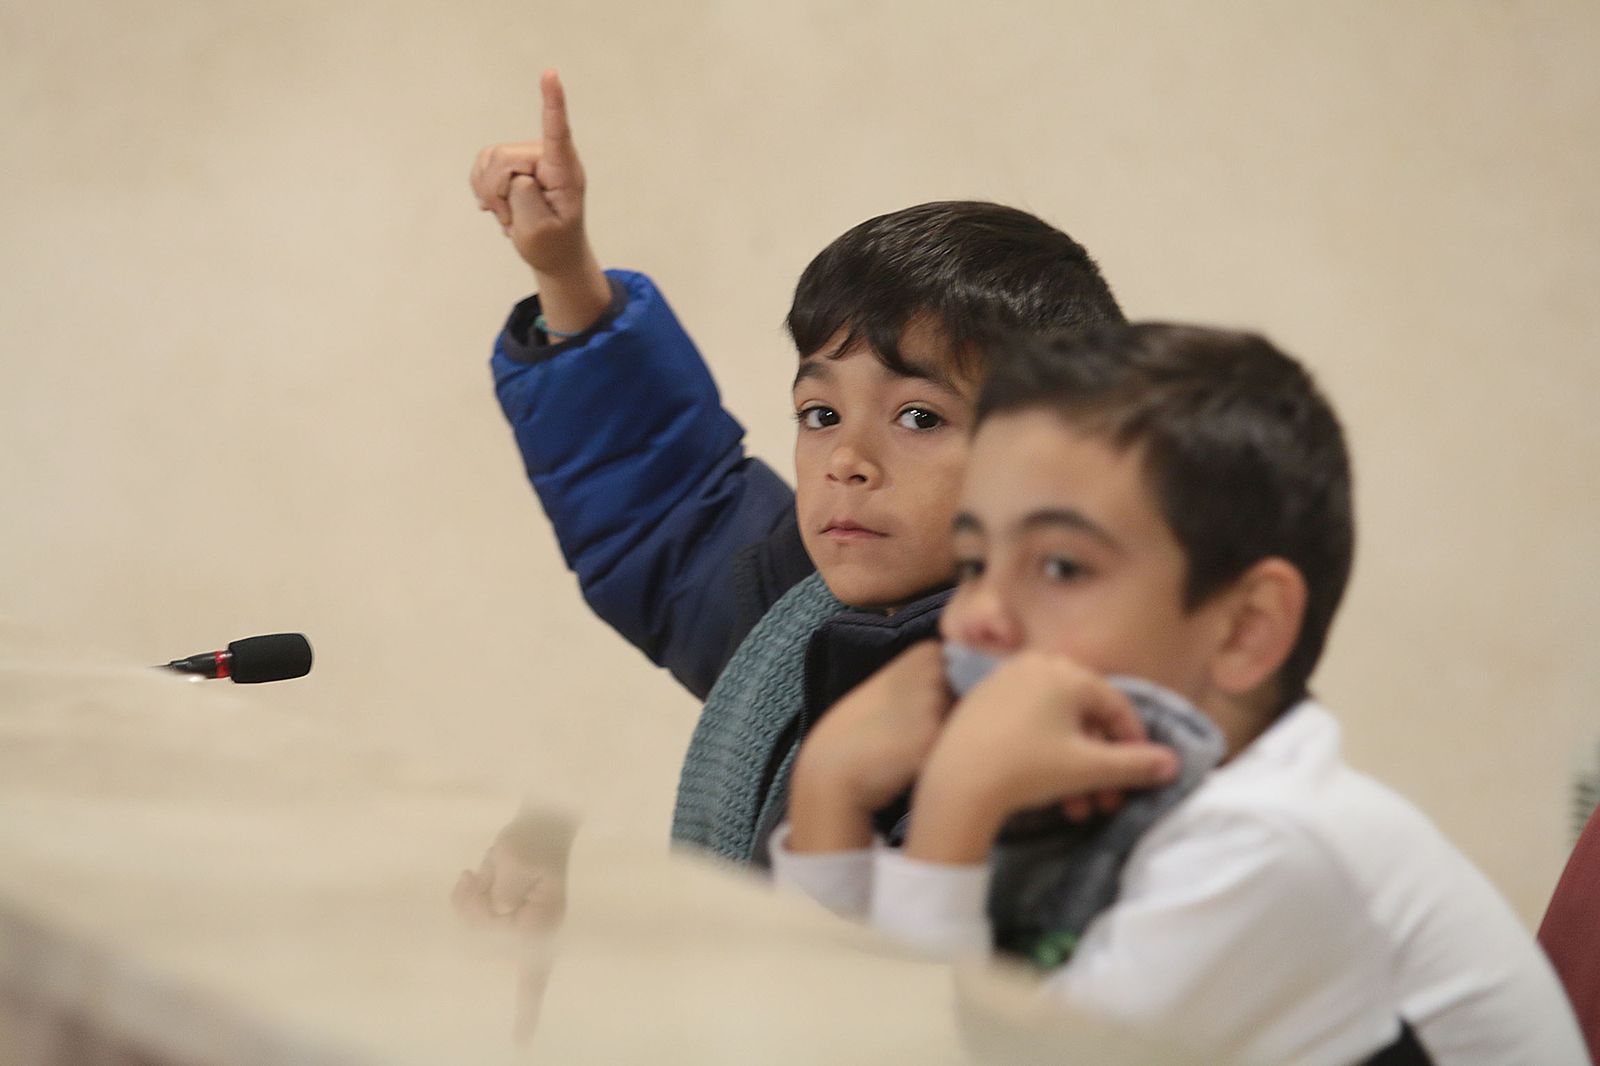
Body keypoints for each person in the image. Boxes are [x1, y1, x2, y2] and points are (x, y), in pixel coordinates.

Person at [772, 325, 1590, 1065]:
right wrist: (830, 791)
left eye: (1061, 567)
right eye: (976, 561)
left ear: (1245, 630)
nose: (974, 616)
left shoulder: (1269, 848)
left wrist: (954, 805)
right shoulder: (1109, 792)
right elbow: (815, 1031)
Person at [468, 71, 1124, 865]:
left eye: (919, 417)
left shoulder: (1046, 728)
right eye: (821, 415)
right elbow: (671, 511)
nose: (847, 461)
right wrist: (566, 273)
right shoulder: (799, 608)